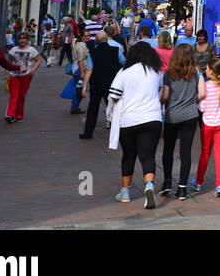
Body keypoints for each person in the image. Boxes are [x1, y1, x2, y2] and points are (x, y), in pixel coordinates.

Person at [108, 40, 164, 208]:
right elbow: (160, 90)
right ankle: (149, 186)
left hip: (129, 120)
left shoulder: (125, 72)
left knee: (129, 155)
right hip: (153, 118)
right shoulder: (156, 72)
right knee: (148, 156)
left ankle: (125, 192)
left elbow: (114, 94)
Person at [158, 44, 201, 200]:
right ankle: (182, 188)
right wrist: (190, 100)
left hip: (172, 115)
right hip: (190, 115)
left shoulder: (169, 74)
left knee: (168, 149)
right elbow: (201, 94)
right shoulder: (196, 73)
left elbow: (165, 95)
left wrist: (161, 103)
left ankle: (167, 182)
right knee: (185, 151)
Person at [196, 58, 220, 197]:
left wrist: (198, 102)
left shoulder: (206, 85)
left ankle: (198, 183)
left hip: (208, 124)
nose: (205, 70)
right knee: (219, 154)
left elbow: (202, 107)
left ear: (211, 71)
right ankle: (219, 185)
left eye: (207, 68)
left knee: (205, 153)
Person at [81, 25, 125, 139]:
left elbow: (89, 70)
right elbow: (124, 62)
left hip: (96, 84)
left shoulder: (93, 52)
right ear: (107, 39)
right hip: (111, 84)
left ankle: (88, 132)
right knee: (114, 107)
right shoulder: (116, 50)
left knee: (93, 108)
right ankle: (119, 132)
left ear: (96, 40)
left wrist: (85, 86)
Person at [4, 32, 42, 123]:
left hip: (26, 75)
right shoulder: (13, 50)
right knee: (14, 95)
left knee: (21, 96)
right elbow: (8, 63)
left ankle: (19, 115)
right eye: (20, 38)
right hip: (14, 75)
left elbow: (38, 61)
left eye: (24, 38)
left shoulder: (32, 50)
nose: (22, 40)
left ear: (27, 40)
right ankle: (10, 114)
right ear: (18, 40)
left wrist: (32, 71)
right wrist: (7, 74)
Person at [68, 28, 91, 114]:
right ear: (81, 36)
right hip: (79, 69)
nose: (88, 37)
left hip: (77, 69)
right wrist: (82, 72)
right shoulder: (82, 45)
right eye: (86, 36)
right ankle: (74, 107)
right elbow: (80, 60)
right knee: (80, 89)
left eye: (89, 35)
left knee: (79, 88)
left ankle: (75, 107)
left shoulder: (80, 44)